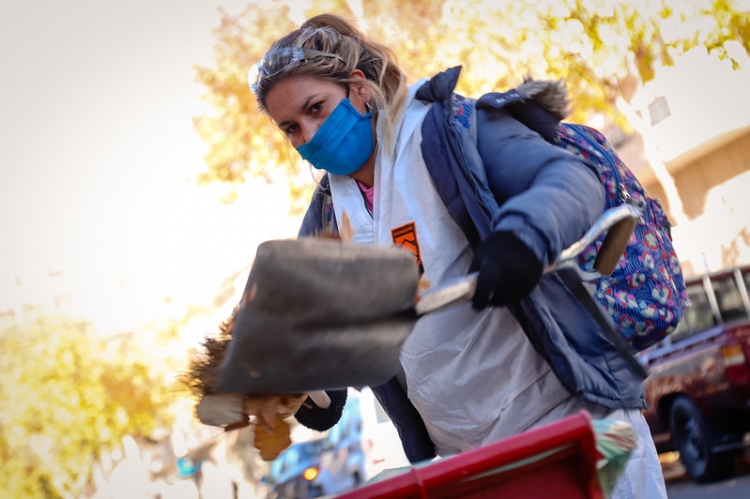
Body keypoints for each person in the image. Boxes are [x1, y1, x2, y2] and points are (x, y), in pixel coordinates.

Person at [247, 13, 667, 498]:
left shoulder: (443, 132)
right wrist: (296, 385)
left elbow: (570, 181)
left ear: (358, 87)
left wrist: (524, 238)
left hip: (584, 417)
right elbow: (324, 364)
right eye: (291, 129)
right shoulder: (325, 219)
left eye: (316, 109)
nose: (309, 136)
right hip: (476, 463)